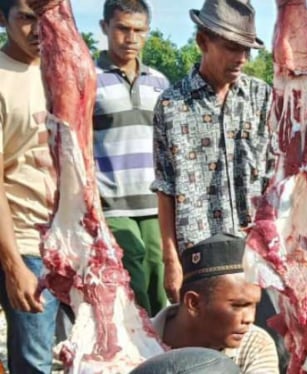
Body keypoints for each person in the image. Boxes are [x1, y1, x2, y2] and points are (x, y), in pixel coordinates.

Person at [151, 0, 272, 303]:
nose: (242, 59)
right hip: (199, 256)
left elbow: (276, 174)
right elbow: (165, 188)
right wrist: (170, 260)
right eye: (232, 48)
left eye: (247, 50)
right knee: (204, 347)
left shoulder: (261, 97)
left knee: (266, 344)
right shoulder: (172, 105)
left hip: (256, 253)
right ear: (203, 41)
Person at [94, 0, 169, 316]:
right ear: (105, 28)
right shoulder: (88, 78)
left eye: (138, 30)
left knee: (160, 282)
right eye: (122, 28)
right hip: (112, 203)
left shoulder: (160, 82)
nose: (130, 38)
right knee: (132, 284)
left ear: (147, 33)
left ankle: (159, 356)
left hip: (154, 202)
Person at [0, 1, 59, 372]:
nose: (38, 30)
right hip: (22, 242)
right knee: (34, 363)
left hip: (58, 242)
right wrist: (14, 264)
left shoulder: (60, 70)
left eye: (45, 19)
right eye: (25, 18)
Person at [152, 233, 279, 374]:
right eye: (237, 305)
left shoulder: (254, 343)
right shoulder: (134, 341)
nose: (249, 319)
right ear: (193, 303)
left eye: (254, 305)